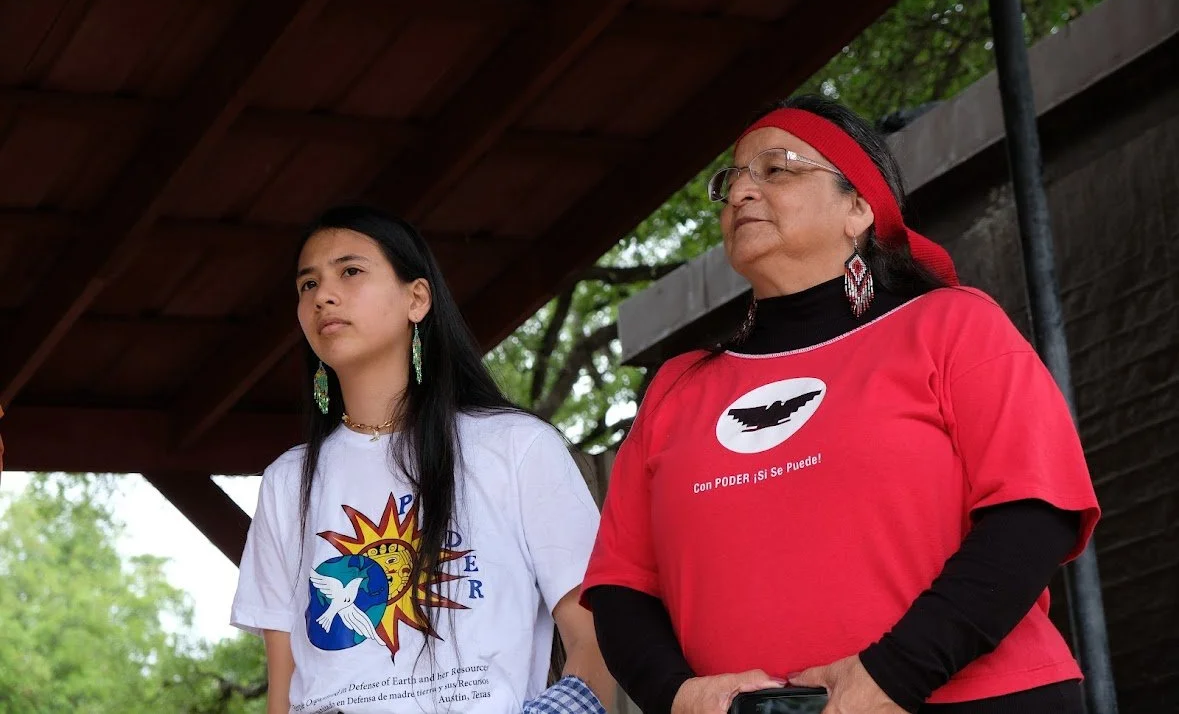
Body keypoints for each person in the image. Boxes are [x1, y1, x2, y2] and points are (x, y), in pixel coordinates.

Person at [581, 96, 1100, 714]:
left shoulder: (952, 324)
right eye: (733, 178)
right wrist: (679, 697)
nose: (743, 191)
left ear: (859, 207)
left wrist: (889, 678)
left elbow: (1035, 513)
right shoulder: (675, 387)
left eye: (776, 169)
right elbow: (621, 588)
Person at [231, 205, 613, 714]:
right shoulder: (286, 483)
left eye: (350, 271)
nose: (323, 295)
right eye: (307, 285)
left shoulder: (519, 448)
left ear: (416, 298)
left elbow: (598, 643)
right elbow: (283, 689)